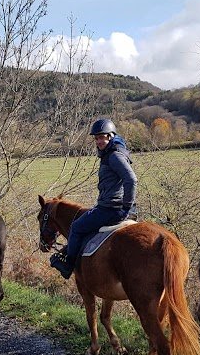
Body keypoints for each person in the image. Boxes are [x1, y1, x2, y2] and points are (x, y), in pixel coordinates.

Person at [49, 118, 137, 279]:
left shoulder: (114, 156)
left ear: (110, 136)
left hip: (111, 208)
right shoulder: (112, 153)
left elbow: (131, 179)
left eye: (102, 137)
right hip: (111, 205)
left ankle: (68, 266)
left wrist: (126, 207)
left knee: (76, 227)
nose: (98, 141)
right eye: (96, 138)